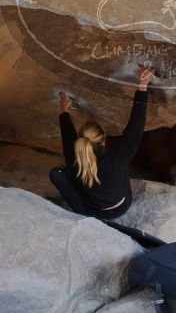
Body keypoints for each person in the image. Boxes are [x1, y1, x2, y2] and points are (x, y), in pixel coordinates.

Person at [49, 66, 155, 219]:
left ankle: (82, 212)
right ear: (104, 140)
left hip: (91, 212)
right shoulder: (118, 157)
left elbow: (68, 139)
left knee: (57, 173)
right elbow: (136, 126)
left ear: (80, 141)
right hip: (122, 205)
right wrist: (142, 86)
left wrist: (64, 112)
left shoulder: (74, 160)